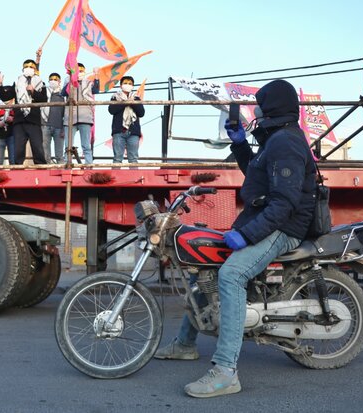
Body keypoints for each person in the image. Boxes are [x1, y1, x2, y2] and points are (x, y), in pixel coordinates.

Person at [157, 79, 316, 399]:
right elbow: (256, 172)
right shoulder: (275, 140)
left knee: (230, 275)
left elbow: (285, 203)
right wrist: (240, 144)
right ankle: (186, 344)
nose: (254, 110)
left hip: (284, 228)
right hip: (265, 221)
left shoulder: (286, 142)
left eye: (259, 104)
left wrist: (247, 234)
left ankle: (226, 371)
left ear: (272, 107)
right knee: (205, 266)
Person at [0, 59, 48, 165]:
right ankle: (17, 167)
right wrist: (0, 85)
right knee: (18, 148)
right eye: (26, 67)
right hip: (19, 120)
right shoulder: (17, 82)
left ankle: (41, 167)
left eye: (31, 67)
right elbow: (6, 97)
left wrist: (33, 91)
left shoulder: (40, 83)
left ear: (35, 69)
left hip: (33, 120)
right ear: (23, 69)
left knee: (37, 147)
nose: (29, 69)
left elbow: (43, 100)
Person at [62, 63, 99, 165]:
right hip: (70, 118)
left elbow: (96, 90)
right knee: (68, 145)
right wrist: (70, 78)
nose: (80, 73)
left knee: (86, 145)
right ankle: (67, 163)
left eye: (82, 71)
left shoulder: (88, 83)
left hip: (85, 117)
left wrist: (96, 76)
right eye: (78, 71)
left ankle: (88, 164)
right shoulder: (69, 82)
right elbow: (63, 93)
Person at [108, 76, 145, 164]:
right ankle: (115, 177)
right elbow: (112, 110)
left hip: (133, 132)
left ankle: (134, 177)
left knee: (133, 158)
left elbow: (141, 113)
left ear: (132, 86)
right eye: (125, 83)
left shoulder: (136, 98)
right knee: (117, 158)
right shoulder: (115, 97)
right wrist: (125, 103)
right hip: (118, 131)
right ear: (121, 86)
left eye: (130, 84)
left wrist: (132, 102)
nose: (127, 85)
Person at [42, 73, 66, 163]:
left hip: (59, 127)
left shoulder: (63, 95)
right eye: (51, 79)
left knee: (59, 155)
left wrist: (64, 128)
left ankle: (61, 172)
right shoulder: (44, 93)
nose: (53, 81)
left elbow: (66, 113)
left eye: (55, 80)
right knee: (45, 154)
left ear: (59, 81)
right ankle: (46, 173)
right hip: (45, 125)